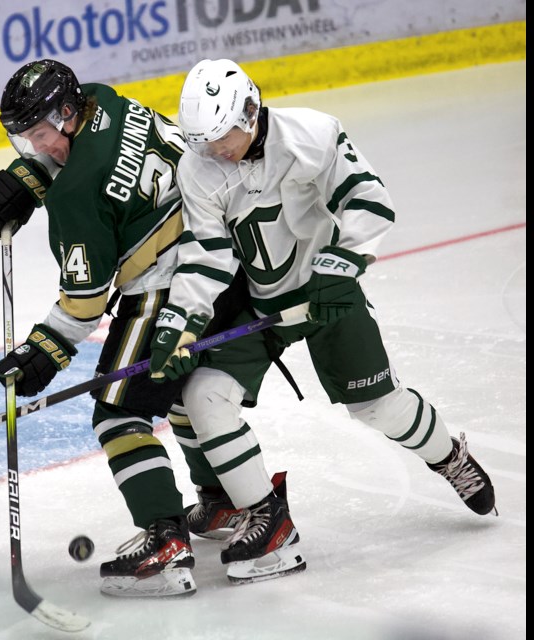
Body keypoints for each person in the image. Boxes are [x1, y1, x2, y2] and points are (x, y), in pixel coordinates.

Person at [149, 58, 497, 578]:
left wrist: (339, 267)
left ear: (250, 109)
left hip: (326, 294)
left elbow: (369, 199)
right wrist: (182, 320)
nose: (214, 150)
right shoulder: (199, 168)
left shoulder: (313, 134)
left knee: (380, 409)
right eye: (203, 141)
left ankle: (448, 456)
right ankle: (268, 520)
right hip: (261, 307)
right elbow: (207, 254)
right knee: (203, 394)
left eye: (221, 137)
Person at [0, 59, 290, 595]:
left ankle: (165, 540)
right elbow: (100, 163)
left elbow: (84, 303)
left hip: (173, 284)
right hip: (227, 260)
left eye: (40, 136)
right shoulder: (108, 101)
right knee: (180, 393)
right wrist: (33, 174)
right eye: (26, 141)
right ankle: (218, 502)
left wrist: (41, 352)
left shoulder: (76, 196)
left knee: (118, 413)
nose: (36, 148)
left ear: (67, 114)